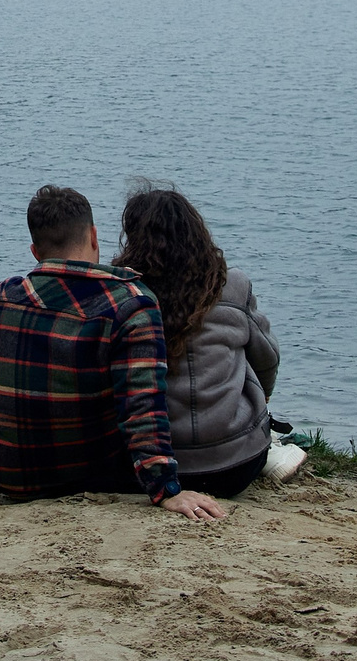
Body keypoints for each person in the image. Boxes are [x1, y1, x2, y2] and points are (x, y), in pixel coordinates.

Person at [0, 184, 227, 521]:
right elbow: (143, 406)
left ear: (35, 251)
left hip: (3, 473)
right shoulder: (133, 304)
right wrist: (166, 489)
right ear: (94, 237)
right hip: (94, 472)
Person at [113, 183, 281, 498]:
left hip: (150, 468)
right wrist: (265, 397)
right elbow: (268, 360)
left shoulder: (123, 293)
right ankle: (272, 446)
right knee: (246, 349)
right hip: (237, 465)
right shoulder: (231, 285)